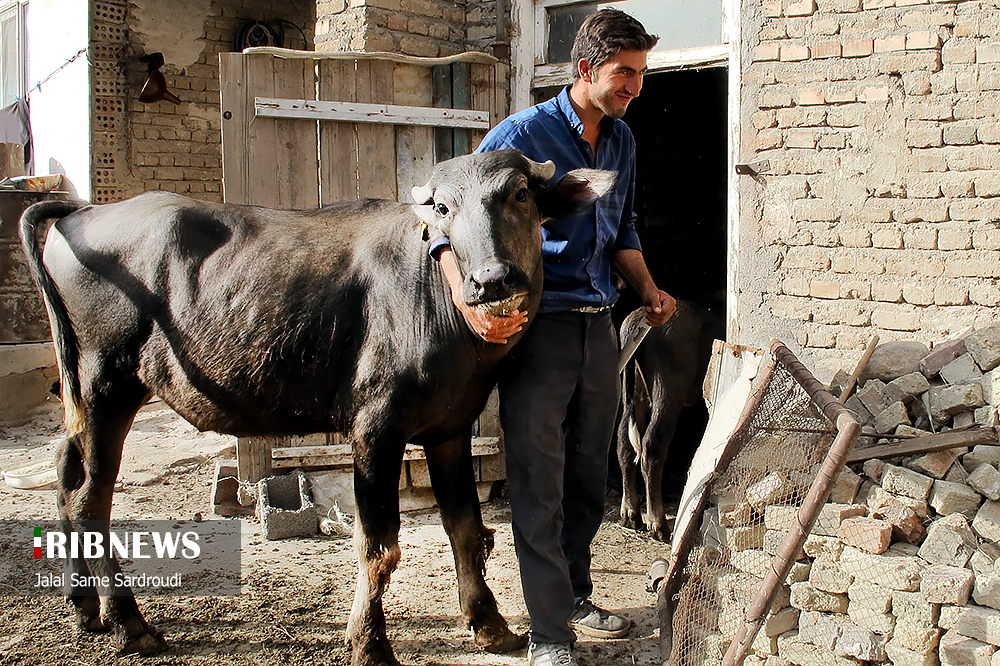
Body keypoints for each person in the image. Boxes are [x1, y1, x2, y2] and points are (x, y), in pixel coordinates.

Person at [432, 9, 675, 666]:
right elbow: (439, 217)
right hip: (537, 331)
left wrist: (648, 289)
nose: (635, 87)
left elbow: (620, 233)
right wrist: (462, 293)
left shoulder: (620, 141)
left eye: (640, 74)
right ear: (585, 70)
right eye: (625, 73)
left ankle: (574, 594)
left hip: (603, 329)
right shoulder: (520, 135)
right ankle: (548, 637)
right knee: (539, 482)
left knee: (589, 478)